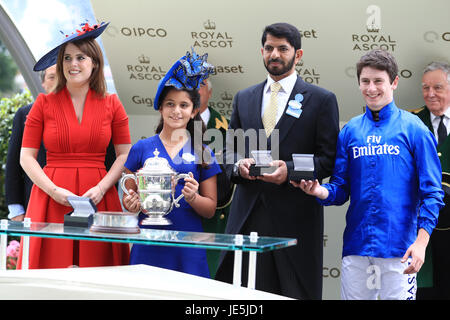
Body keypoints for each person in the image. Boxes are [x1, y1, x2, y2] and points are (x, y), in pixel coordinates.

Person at [294, 50, 444, 300]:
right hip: (357, 248)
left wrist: (421, 243)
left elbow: (433, 193)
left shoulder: (415, 128)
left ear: (394, 82)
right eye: (365, 81)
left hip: (400, 250)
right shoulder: (350, 131)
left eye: (378, 81)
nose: (371, 88)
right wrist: (318, 190)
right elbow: (341, 188)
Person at [215, 22, 340, 299]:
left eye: (283, 49)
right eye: (269, 48)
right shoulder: (244, 98)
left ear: (298, 54)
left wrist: (290, 173)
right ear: (262, 51)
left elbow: (328, 159)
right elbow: (229, 152)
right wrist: (239, 167)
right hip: (247, 215)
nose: (275, 54)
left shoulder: (321, 100)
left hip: (295, 219)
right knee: (241, 295)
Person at [17, 21, 131, 269]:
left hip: (99, 197)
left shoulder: (113, 104)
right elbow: (26, 157)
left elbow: (125, 154)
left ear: (95, 62)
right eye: (67, 58)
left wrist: (101, 189)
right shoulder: (43, 104)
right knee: (48, 273)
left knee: (101, 273)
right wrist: (54, 191)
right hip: (49, 198)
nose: (73, 64)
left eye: (80, 57)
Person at [122, 49, 221, 278]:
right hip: (148, 242)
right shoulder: (141, 148)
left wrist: (194, 198)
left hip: (188, 246)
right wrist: (131, 202)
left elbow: (209, 210)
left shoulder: (204, 153)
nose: (176, 111)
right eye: (170, 104)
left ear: (194, 110)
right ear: (160, 107)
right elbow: (128, 197)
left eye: (184, 105)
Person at [412, 61, 450, 300]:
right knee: (425, 291)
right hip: (421, 230)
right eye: (425, 88)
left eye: (438, 87)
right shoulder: (411, 122)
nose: (430, 94)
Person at [5, 65, 56, 221]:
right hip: (33, 202)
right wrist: (16, 209)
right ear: (43, 83)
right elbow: (13, 164)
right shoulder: (25, 114)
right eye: (51, 77)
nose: (57, 82)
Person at [198, 78, 234, 278]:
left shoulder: (227, 127)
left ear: (210, 93)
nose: (195, 89)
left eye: (201, 84)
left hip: (217, 219)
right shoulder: (172, 124)